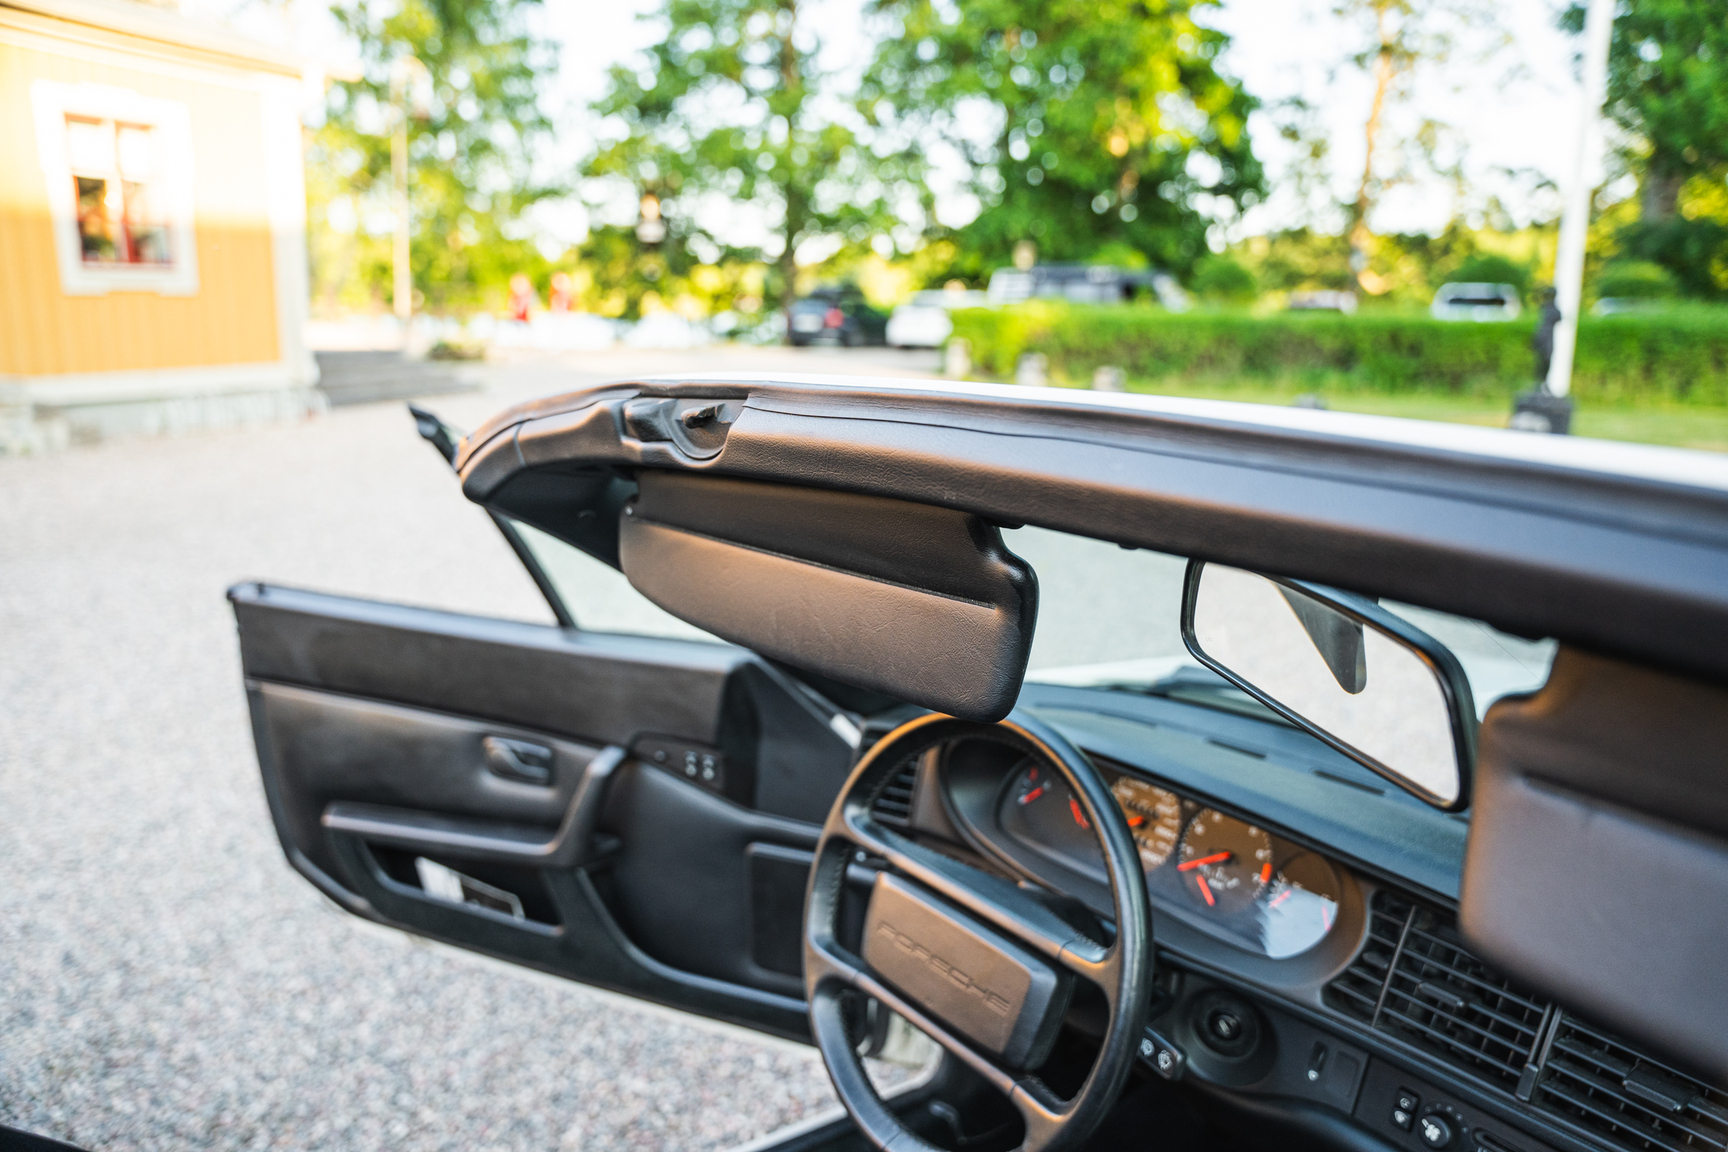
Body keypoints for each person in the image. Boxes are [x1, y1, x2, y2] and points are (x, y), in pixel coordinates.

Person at [1531, 286, 1561, 386]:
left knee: (1547, 359)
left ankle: (1544, 381)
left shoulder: (1554, 310)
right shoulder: (1544, 308)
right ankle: (1538, 382)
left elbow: (1559, 317)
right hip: (1542, 336)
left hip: (1548, 337)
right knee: (1540, 361)